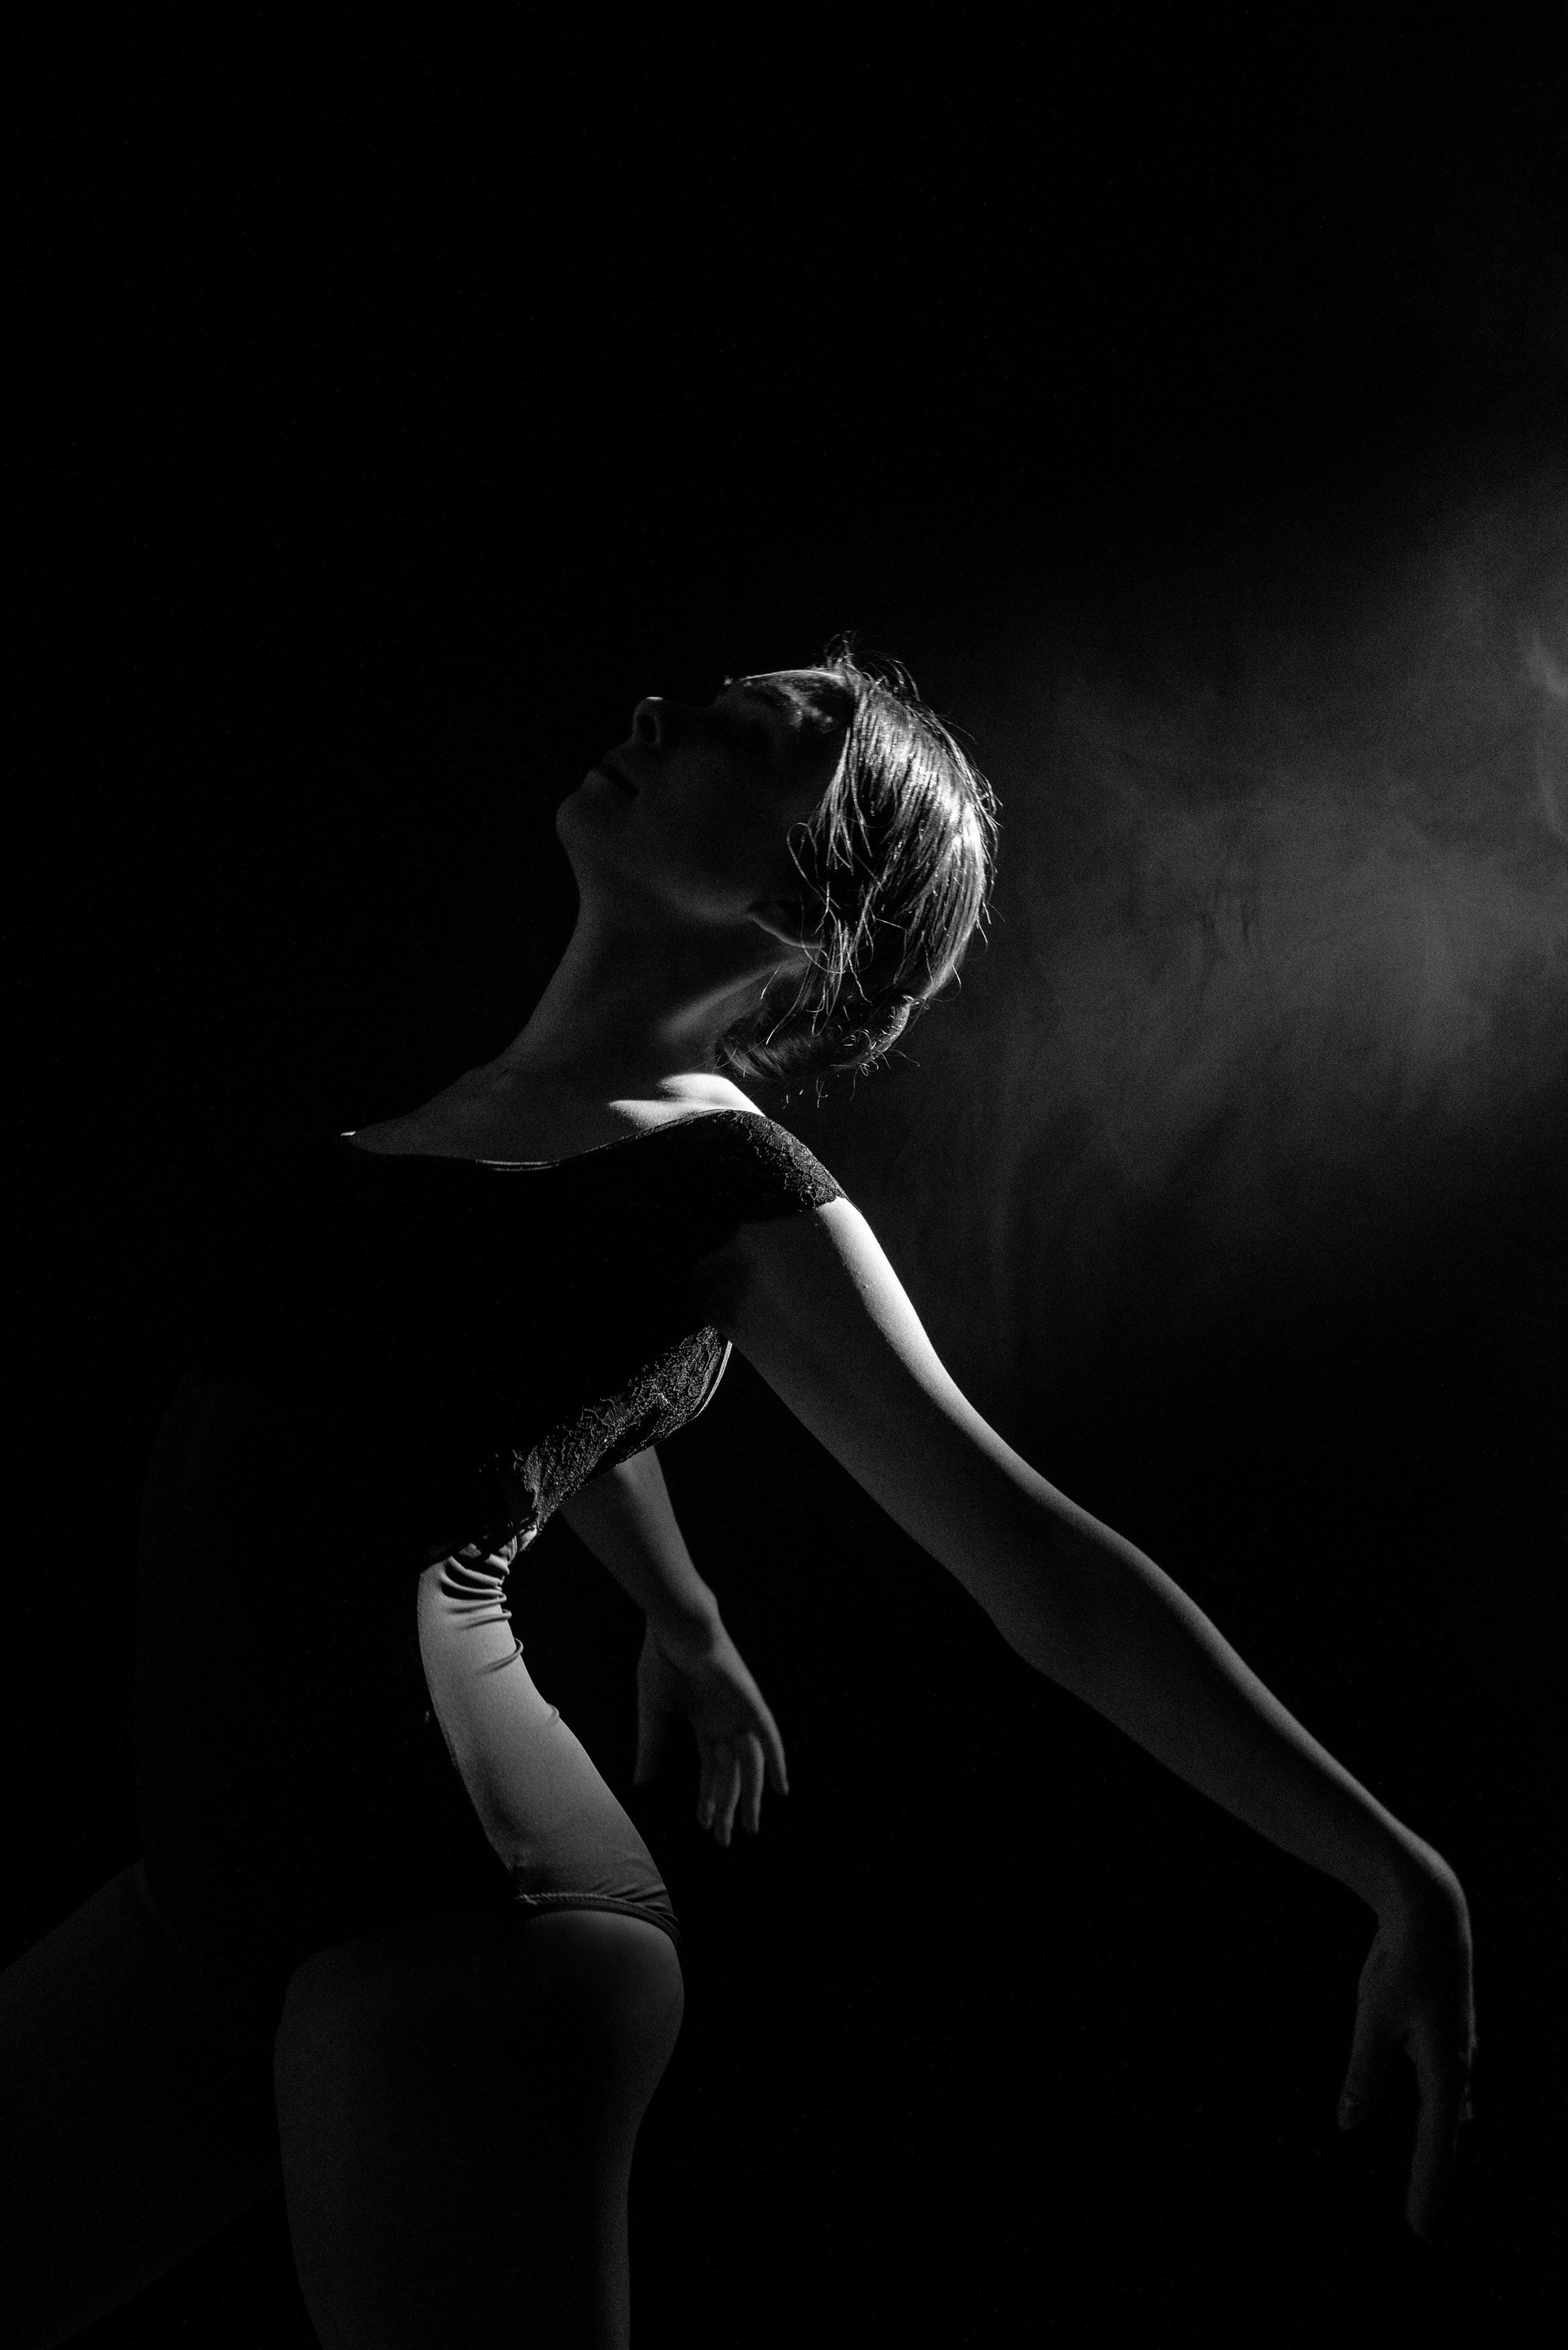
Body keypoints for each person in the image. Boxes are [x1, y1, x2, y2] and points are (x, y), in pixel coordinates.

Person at [1, 644, 1476, 2348]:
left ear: (800, 908)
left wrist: (1393, 1868)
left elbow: (1043, 1570)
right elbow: (521, 1375)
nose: (658, 710)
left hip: (456, 1912)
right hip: (212, 1891)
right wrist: (684, 1612)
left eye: (748, 735)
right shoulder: (485, 1116)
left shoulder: (737, 1181)